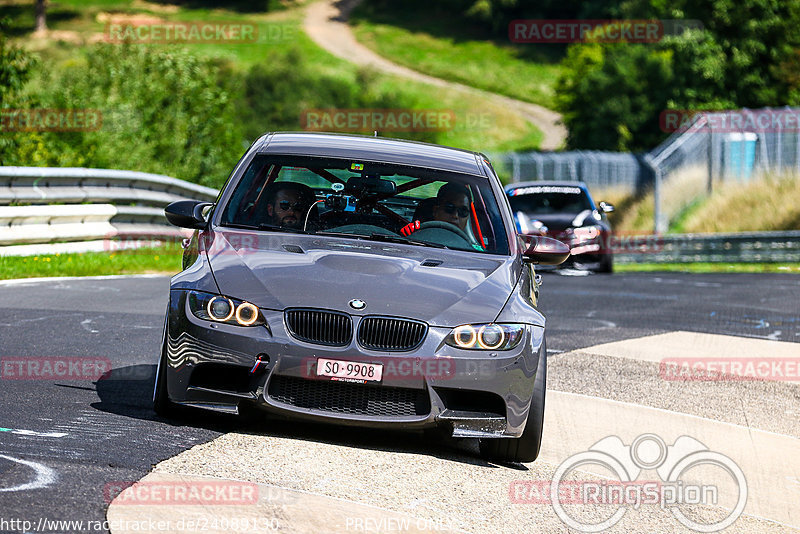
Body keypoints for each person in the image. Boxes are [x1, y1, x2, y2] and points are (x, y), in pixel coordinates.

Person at [401, 182, 471, 236]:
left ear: (468, 217)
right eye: (449, 208)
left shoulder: (476, 250)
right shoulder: (414, 234)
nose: (455, 215)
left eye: (463, 211)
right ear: (435, 211)